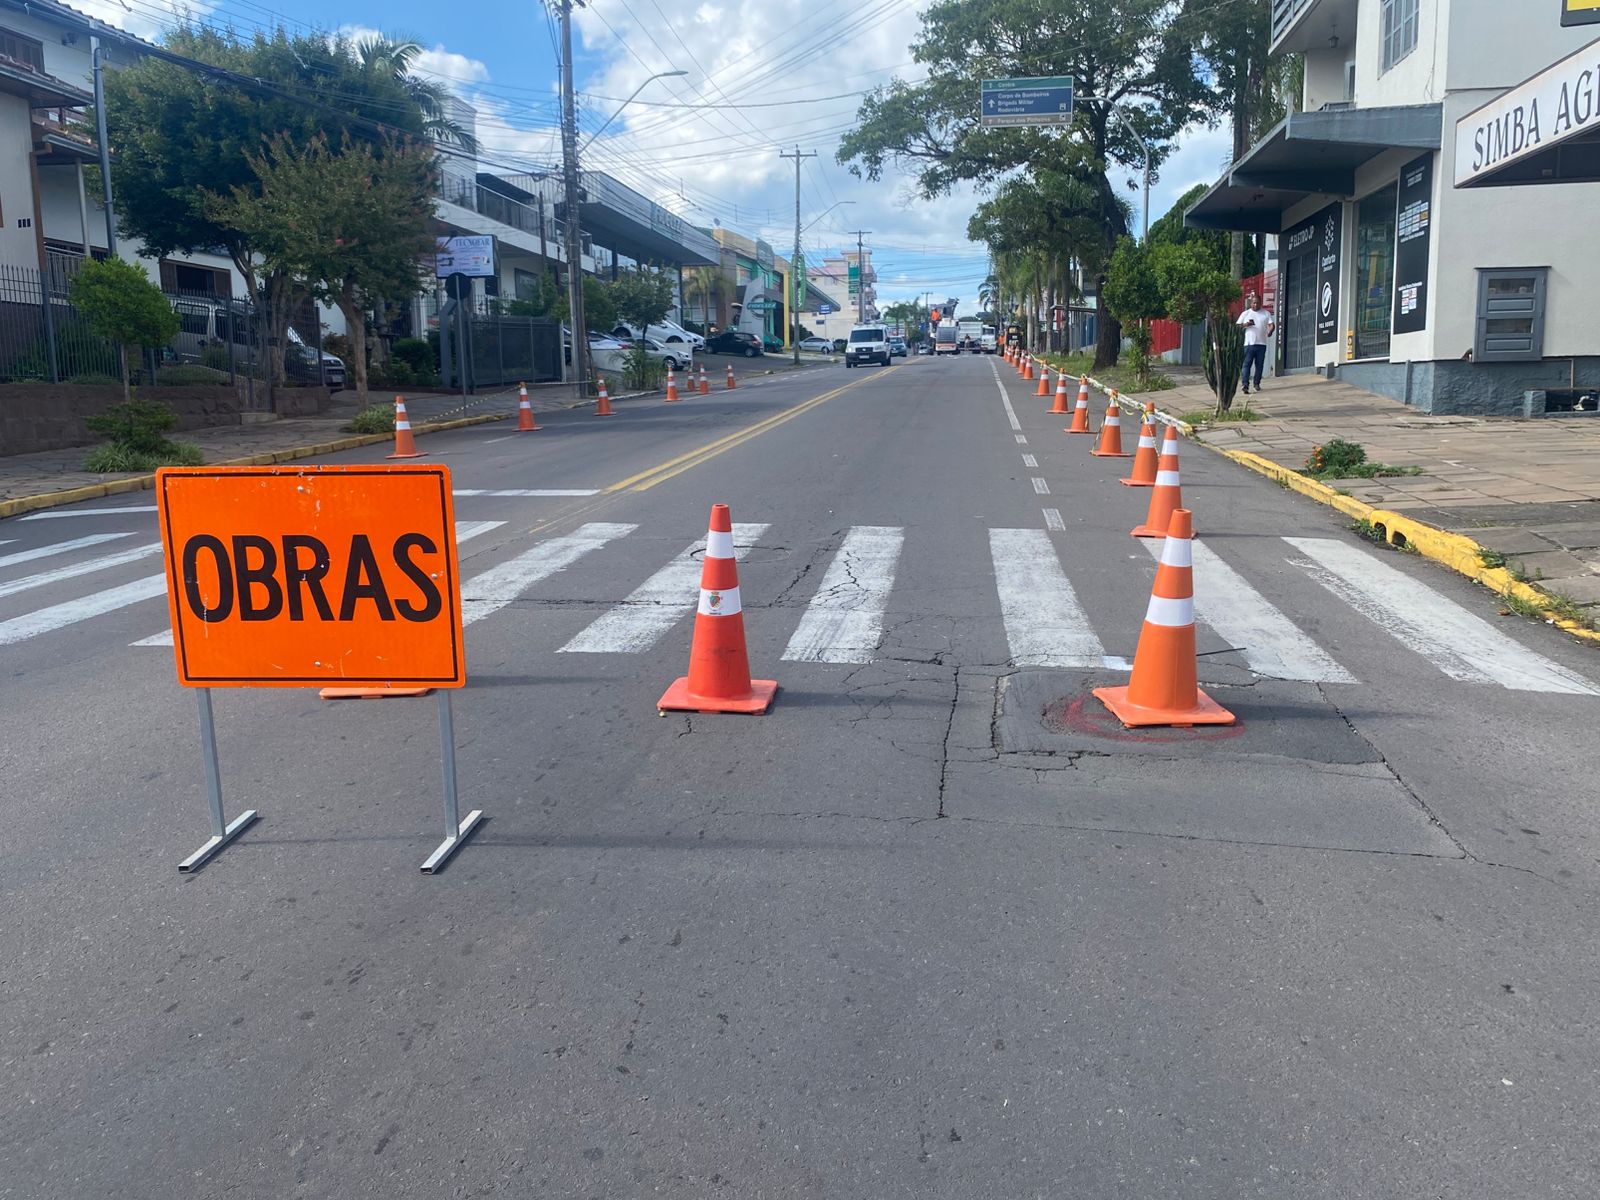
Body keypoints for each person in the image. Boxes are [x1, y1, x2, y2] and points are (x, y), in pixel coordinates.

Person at [1236, 291, 1275, 394]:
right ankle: (1245, 384)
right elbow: (1237, 326)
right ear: (1251, 303)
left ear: (1260, 303)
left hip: (1261, 344)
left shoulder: (1265, 313)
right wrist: (1246, 324)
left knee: (1259, 365)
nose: (1255, 304)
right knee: (1246, 365)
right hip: (1249, 344)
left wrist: (1270, 331)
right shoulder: (1246, 313)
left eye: (1257, 303)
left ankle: (1256, 384)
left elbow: (1271, 324)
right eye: (1254, 303)